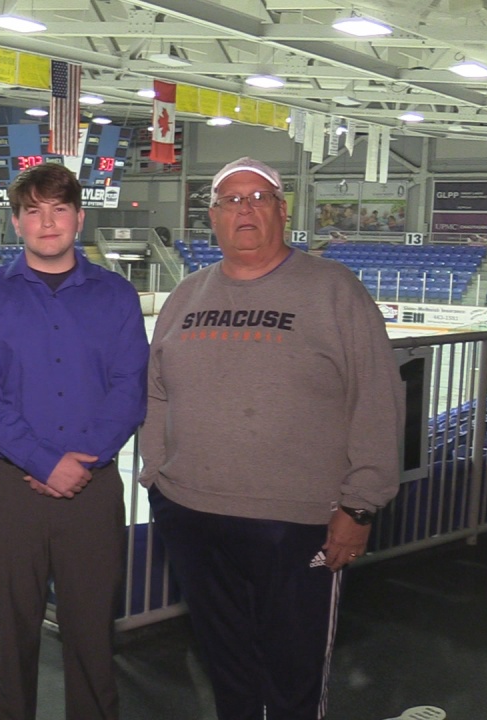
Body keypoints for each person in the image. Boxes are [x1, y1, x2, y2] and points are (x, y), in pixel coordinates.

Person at [140, 157, 403, 720]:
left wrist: (360, 505)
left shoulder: (334, 290)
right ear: (213, 217)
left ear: (283, 211)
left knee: (293, 676)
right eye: (231, 200)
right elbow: (156, 393)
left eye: (259, 197)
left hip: (297, 522)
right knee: (227, 668)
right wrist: (157, 477)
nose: (245, 209)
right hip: (192, 514)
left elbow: (377, 400)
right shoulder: (187, 295)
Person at [0, 163, 147, 720]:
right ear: (16, 222)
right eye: (34, 211)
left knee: (92, 639)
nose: (47, 222)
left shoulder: (116, 296)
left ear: (79, 218)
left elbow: (129, 388)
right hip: (11, 490)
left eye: (59, 209)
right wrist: (45, 462)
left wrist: (81, 461)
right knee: (12, 636)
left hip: (93, 489)